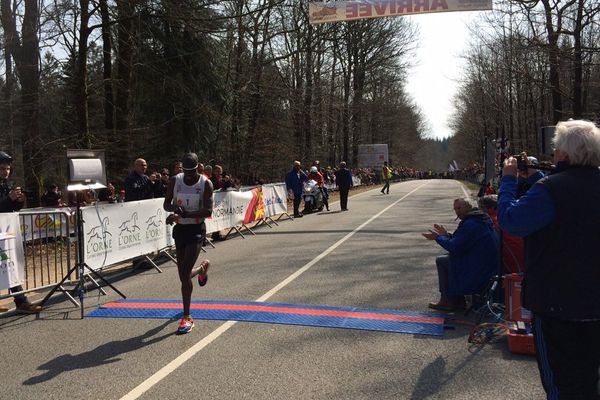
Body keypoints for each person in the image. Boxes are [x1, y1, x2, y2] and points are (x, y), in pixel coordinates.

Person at [497, 119, 600, 400]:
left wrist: (508, 181)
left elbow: (511, 220)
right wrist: (533, 180)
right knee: (591, 381)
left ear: (565, 154)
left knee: (561, 384)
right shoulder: (552, 186)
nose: (553, 155)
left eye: (555, 150)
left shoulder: (550, 188)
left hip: (557, 302)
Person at [164, 153, 213, 334]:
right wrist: (174, 210)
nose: (190, 175)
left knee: (184, 273)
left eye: (193, 172)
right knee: (183, 275)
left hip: (196, 230)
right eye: (187, 172)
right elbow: (166, 204)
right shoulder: (175, 181)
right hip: (180, 230)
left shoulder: (205, 184)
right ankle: (201, 270)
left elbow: (208, 210)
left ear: (198, 168)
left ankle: (187, 317)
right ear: (182, 169)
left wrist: (187, 214)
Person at [422, 198, 499, 311]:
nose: (457, 211)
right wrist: (446, 235)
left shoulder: (471, 224)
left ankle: (447, 300)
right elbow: (462, 242)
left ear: (469, 207)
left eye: (459, 208)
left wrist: (438, 237)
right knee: (447, 257)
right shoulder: (480, 218)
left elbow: (453, 247)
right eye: (455, 209)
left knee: (441, 260)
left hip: (479, 266)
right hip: (485, 262)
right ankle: (458, 300)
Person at [0, 151, 42, 314]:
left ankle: (21, 301)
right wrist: (8, 199)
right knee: (6, 266)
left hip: (4, 232)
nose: (6, 172)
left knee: (7, 266)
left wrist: (18, 202)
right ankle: (21, 301)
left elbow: (8, 208)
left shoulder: (5, 185)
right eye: (2, 168)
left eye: (8, 169)